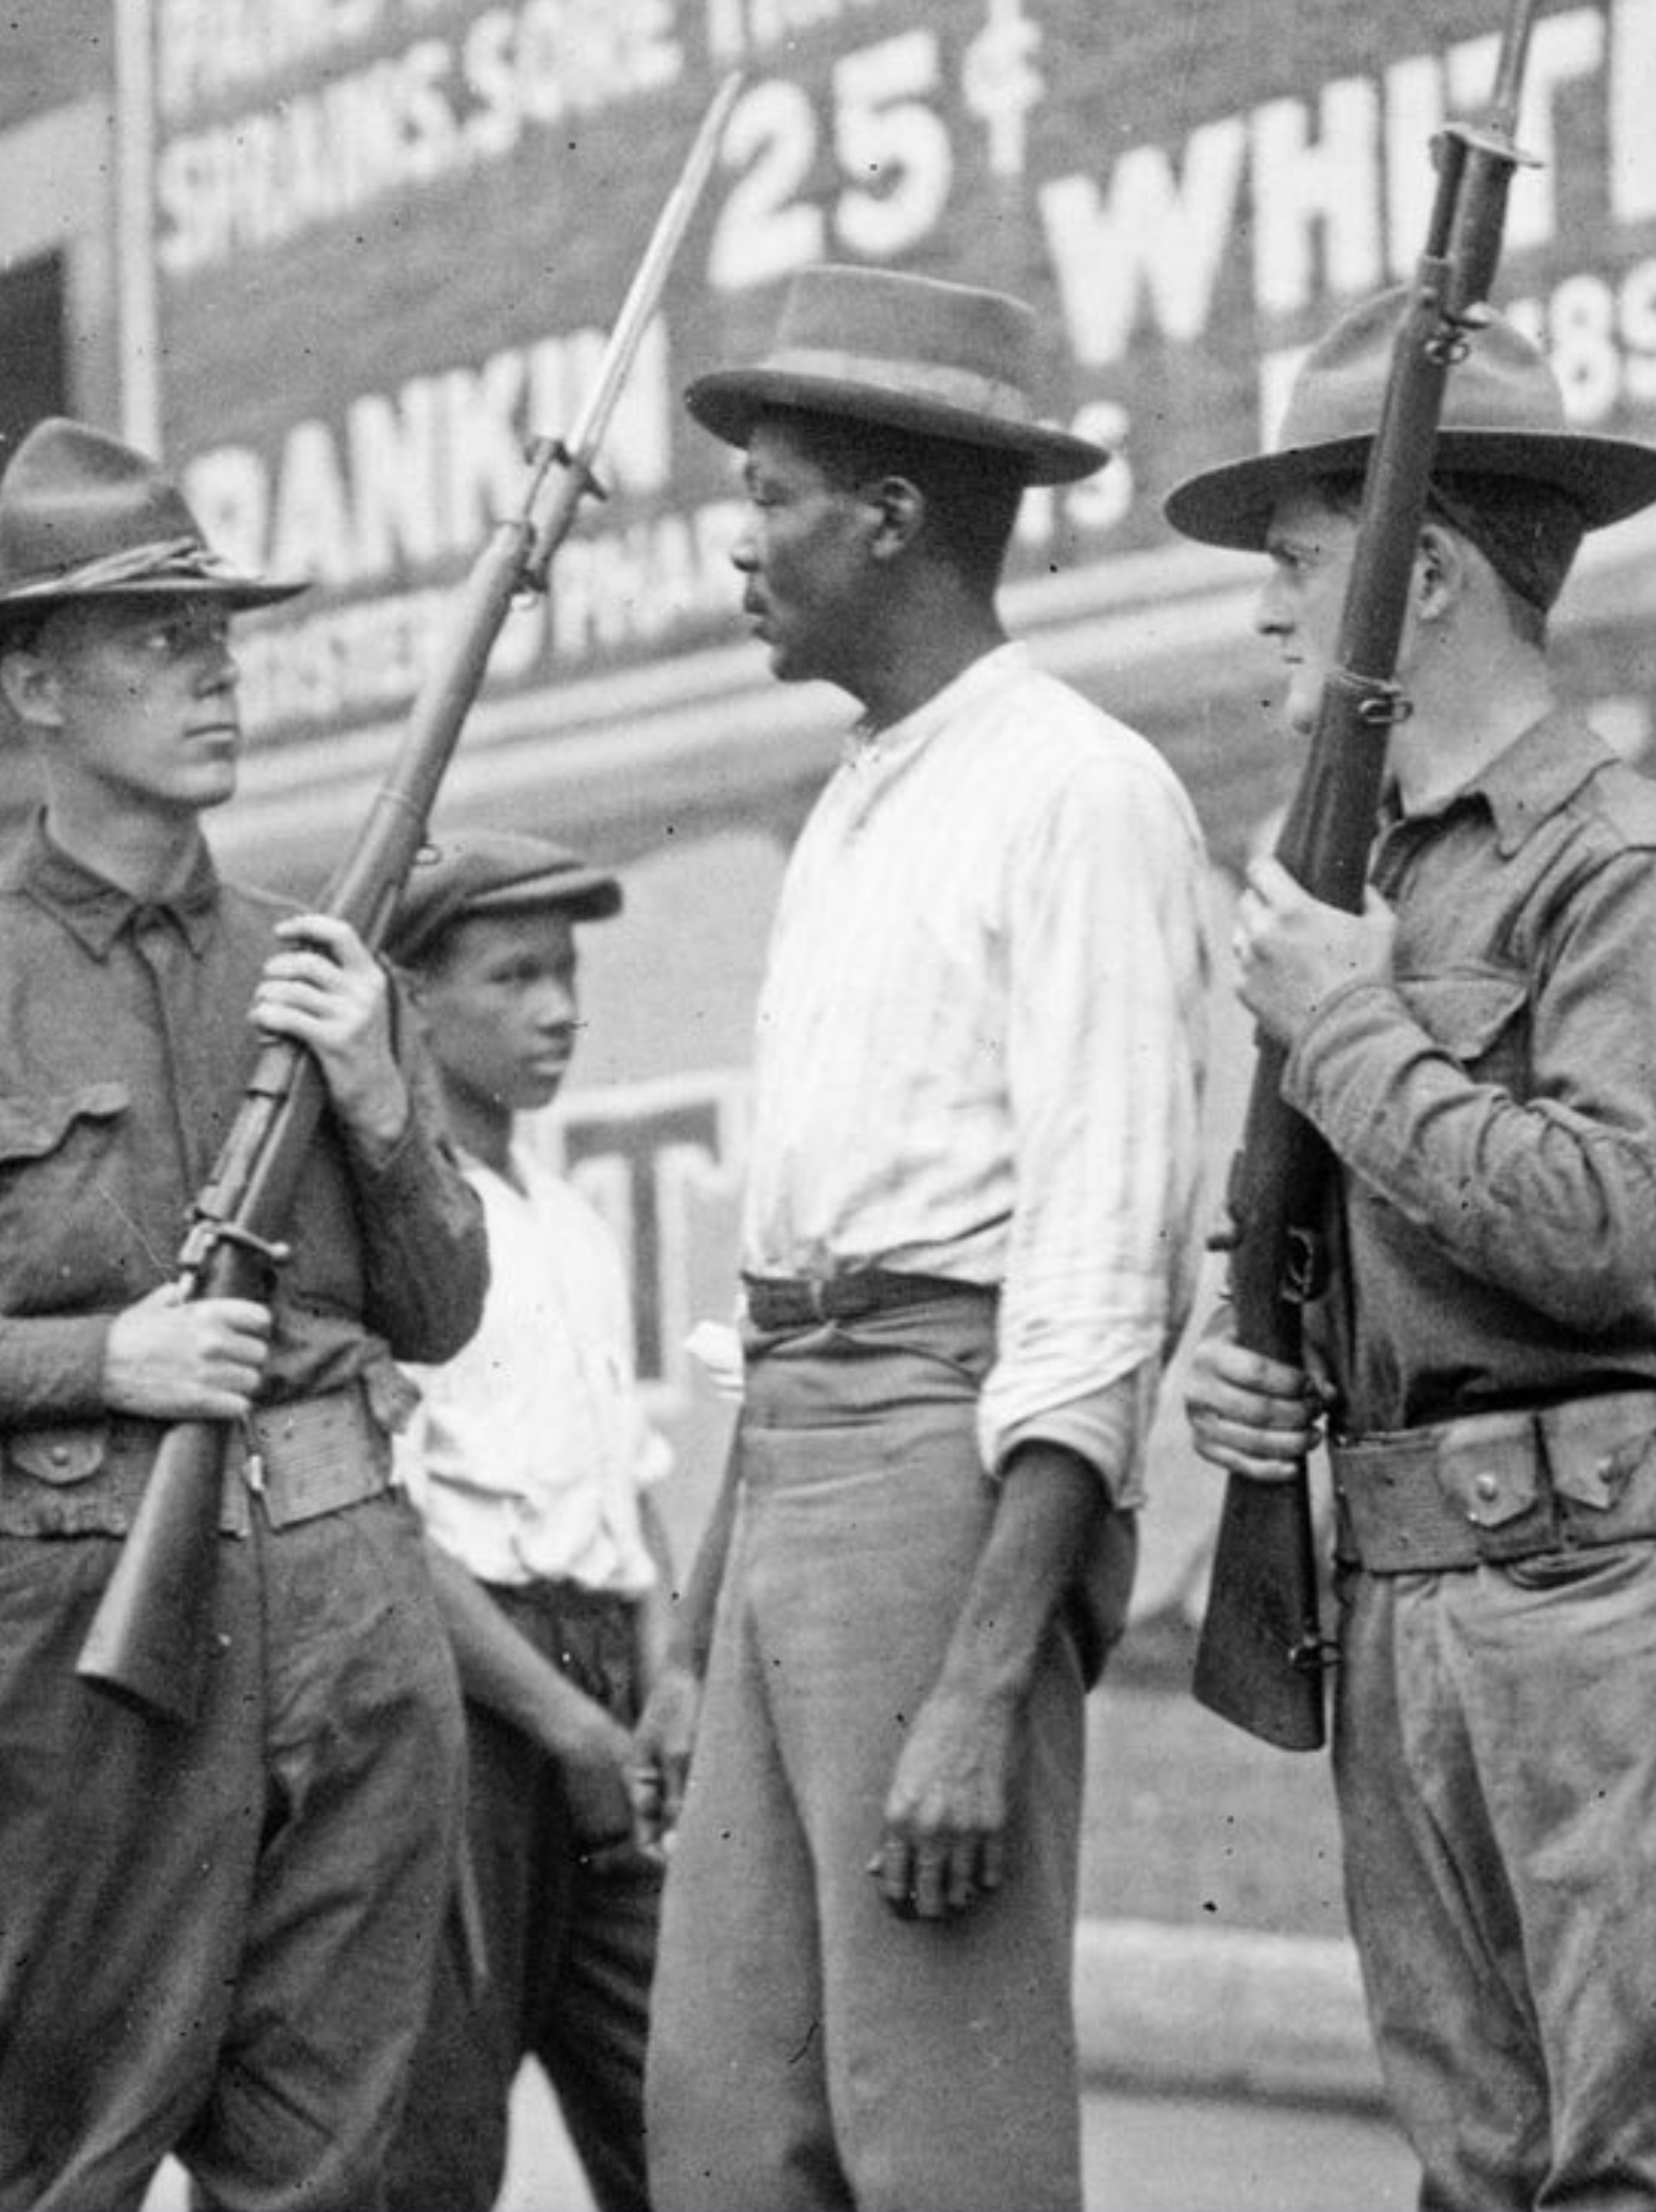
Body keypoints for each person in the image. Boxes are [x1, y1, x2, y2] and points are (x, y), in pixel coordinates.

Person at [0, 419, 489, 2212]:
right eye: (160, 641)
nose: (213, 673)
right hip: (79, 1626)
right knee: (54, 2163)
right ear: (33, 682)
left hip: (349, 1600)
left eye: (219, 636)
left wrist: (381, 1103)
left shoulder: (322, 964)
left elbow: (445, 1308)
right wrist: (102, 1358)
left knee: (333, 2178)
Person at [1171, 289, 1656, 2210]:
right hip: (1415, 1589)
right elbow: (1393, 1244)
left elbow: (1592, 1224)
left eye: (1296, 563)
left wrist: (1346, 1028)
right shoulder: (1379, 878)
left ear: (1420, 575)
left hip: (1598, 1592)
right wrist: (1263, 1358)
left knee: (1635, 2174)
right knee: (1474, 2168)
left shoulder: (1621, 866)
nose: (1266, 611)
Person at [640, 266, 1210, 2212]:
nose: (739, 542)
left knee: (933, 2123)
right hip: (794, 1461)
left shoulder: (1077, 792)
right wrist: (701, 1593)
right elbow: (791, 1259)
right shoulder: (855, 807)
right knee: (723, 2119)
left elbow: (1098, 1270)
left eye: (772, 494)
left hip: (935, 1475)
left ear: (889, 517)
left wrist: (982, 1676)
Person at [375, 829, 677, 2212]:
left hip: (612, 1698)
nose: (559, 1008)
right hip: (474, 1711)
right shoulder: (392, 1231)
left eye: (565, 973)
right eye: (513, 975)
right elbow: (393, 1532)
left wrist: (665, 1669)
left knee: (695, 2112)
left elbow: (630, 1483)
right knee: (423, 2140)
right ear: (414, 1001)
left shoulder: (570, 1218)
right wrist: (566, 1728)